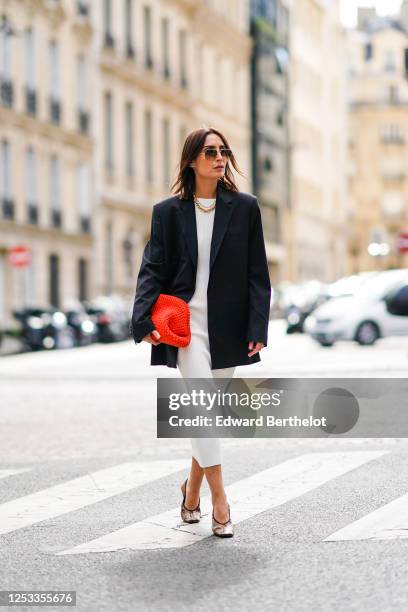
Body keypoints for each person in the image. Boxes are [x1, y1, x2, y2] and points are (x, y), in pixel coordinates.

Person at [131, 126, 271, 538]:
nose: (219, 157)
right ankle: (221, 502)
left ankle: (190, 492)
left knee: (206, 412)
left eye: (223, 151)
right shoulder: (168, 212)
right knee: (202, 406)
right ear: (192, 160)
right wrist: (142, 321)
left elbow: (257, 274)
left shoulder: (245, 208)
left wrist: (258, 325)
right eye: (210, 151)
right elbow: (152, 268)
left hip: (230, 327)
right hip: (185, 327)